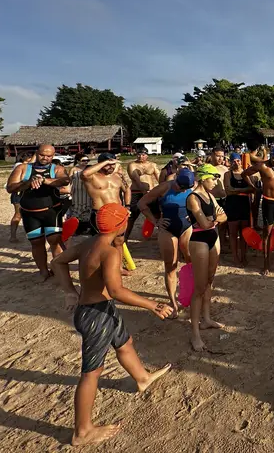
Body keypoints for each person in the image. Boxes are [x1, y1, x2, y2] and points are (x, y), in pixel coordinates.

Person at [50, 204, 172, 446]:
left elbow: (58, 262)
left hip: (101, 310)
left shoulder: (91, 242)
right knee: (91, 373)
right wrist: (152, 305)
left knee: (125, 343)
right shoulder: (110, 251)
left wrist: (70, 291)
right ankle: (82, 431)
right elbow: (116, 291)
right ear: (121, 225)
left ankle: (142, 378)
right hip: (96, 316)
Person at [6, 144, 70, 280]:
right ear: (37, 153)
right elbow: (10, 188)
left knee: (55, 240)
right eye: (42, 155)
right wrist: (28, 183)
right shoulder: (23, 168)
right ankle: (43, 271)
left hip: (52, 211)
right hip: (30, 213)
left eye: (49, 156)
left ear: (53, 156)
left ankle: (58, 269)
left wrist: (45, 180)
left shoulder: (57, 168)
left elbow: (65, 180)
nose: (45, 158)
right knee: (36, 242)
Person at [138, 168, 195, 316]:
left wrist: (195, 217)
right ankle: (173, 302)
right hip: (167, 229)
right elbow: (142, 204)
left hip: (186, 228)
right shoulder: (165, 187)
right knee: (171, 266)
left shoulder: (193, 188)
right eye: (179, 186)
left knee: (192, 262)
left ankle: (193, 296)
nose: (180, 190)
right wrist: (155, 221)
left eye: (184, 189)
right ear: (175, 178)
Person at [186, 165, 226, 351]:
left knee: (209, 281)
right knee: (199, 288)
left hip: (212, 237)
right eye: (213, 178)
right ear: (203, 178)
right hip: (199, 239)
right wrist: (216, 219)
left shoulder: (210, 196)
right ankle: (195, 334)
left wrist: (215, 219)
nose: (216, 182)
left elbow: (224, 215)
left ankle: (207, 319)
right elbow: (204, 222)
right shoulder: (193, 198)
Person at [243, 145, 274, 275]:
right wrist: (254, 187)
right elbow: (245, 174)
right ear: (270, 155)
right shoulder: (262, 166)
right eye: (273, 158)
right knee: (267, 233)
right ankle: (266, 264)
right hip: (268, 202)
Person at [81, 153, 132, 274]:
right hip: (100, 214)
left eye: (113, 165)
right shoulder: (92, 177)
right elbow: (84, 173)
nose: (111, 167)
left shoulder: (118, 177)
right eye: (108, 165)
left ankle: (118, 268)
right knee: (102, 243)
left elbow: (127, 189)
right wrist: (105, 162)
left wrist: (127, 206)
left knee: (119, 242)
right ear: (100, 164)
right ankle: (100, 269)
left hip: (118, 214)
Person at [222, 153, 255, 266]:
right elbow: (228, 191)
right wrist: (244, 190)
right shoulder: (228, 174)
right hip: (232, 205)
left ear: (241, 161)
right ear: (230, 162)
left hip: (244, 205)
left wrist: (236, 189)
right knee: (232, 233)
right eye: (234, 161)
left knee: (244, 233)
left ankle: (244, 256)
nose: (236, 163)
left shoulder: (246, 173)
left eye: (238, 161)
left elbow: (252, 188)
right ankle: (235, 257)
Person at [125, 148, 159, 241]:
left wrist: (160, 191)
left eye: (143, 154)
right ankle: (124, 238)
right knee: (132, 216)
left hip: (150, 192)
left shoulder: (152, 165)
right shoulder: (132, 165)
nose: (140, 156)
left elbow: (159, 178)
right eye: (139, 154)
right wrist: (144, 192)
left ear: (147, 155)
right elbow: (136, 179)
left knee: (157, 214)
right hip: (137, 192)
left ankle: (161, 234)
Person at [8, 151, 34, 242]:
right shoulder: (19, 165)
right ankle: (12, 236)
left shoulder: (25, 165)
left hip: (23, 193)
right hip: (18, 194)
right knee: (18, 215)